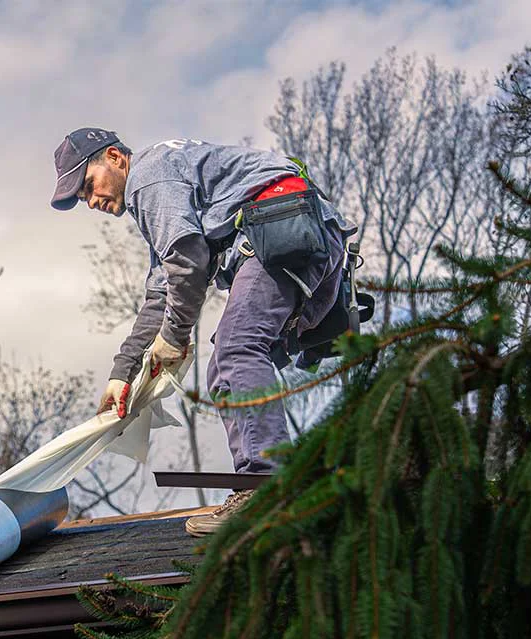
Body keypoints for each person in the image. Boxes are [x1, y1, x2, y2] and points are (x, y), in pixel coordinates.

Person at [50, 128, 355, 536]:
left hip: (283, 225)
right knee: (224, 368)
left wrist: (174, 337)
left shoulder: (150, 176)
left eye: (89, 185)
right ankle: (260, 478)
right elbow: (161, 293)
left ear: (116, 157)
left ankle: (267, 483)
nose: (92, 201)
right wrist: (121, 374)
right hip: (289, 230)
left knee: (238, 349)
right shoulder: (158, 191)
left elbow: (188, 262)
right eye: (83, 199)